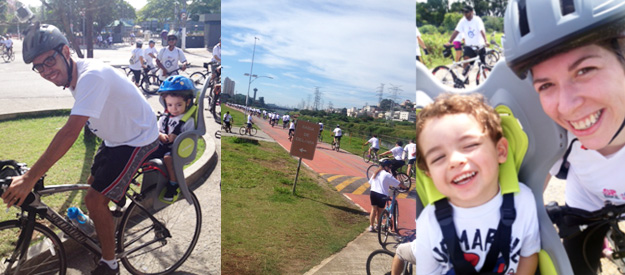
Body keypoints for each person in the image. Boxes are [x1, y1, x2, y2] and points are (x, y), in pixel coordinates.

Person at [1, 23, 159, 275]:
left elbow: (69, 132)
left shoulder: (91, 76)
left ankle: (110, 264)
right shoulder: (75, 77)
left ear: (65, 51)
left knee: (95, 200)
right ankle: (100, 224)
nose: (45, 71)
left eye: (49, 61)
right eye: (38, 67)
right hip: (114, 138)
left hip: (137, 138)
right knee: (91, 185)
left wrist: (30, 178)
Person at [503, 0, 625, 273]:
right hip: (588, 204)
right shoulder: (558, 133)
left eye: (585, 70)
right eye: (546, 85)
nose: (567, 107)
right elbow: (532, 189)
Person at [400, 93, 539, 274]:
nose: (455, 160)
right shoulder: (428, 223)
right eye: (439, 157)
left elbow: (528, 255)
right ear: (430, 175)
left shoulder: (524, 201)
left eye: (469, 145)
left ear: (501, 151)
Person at [150, 75, 196, 202]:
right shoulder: (164, 118)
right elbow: (157, 130)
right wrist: (160, 135)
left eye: (178, 105)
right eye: (170, 105)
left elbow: (190, 138)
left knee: (167, 158)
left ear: (187, 102)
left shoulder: (188, 121)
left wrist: (178, 138)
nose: (174, 109)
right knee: (144, 152)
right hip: (162, 145)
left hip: (176, 151)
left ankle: (173, 183)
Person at [368, 158, 408, 232]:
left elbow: (371, 182)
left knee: (373, 210)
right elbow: (398, 183)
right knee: (380, 211)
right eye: (389, 167)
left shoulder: (376, 172)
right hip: (381, 195)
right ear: (385, 167)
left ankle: (371, 226)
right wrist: (405, 187)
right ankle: (378, 225)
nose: (390, 169)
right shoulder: (387, 175)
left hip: (373, 192)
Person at [444, 5, 488, 71]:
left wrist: (486, 41)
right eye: (464, 12)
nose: (465, 14)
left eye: (467, 12)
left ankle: (485, 78)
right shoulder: (462, 21)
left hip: (480, 46)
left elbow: (482, 30)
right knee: (466, 62)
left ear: (472, 12)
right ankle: (465, 79)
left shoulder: (477, 20)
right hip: (469, 46)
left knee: (483, 66)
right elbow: (456, 31)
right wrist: (449, 42)